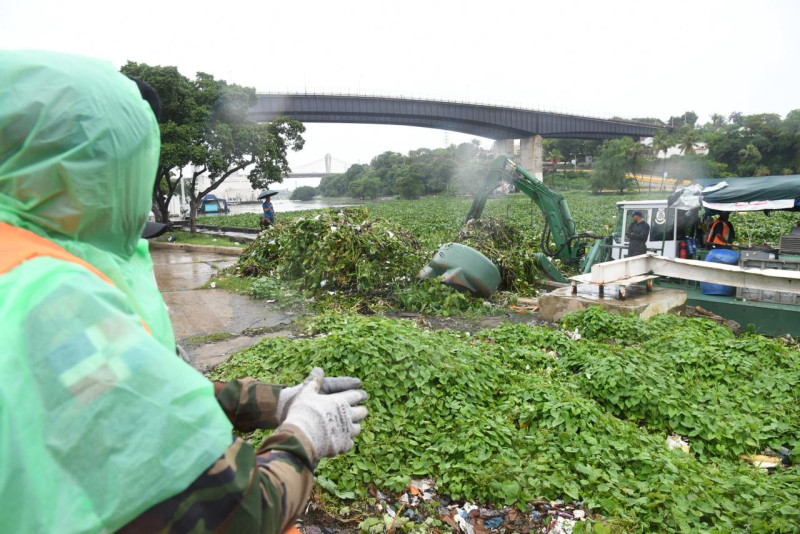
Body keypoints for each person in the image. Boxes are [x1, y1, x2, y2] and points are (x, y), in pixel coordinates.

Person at [0, 50, 367, 534]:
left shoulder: (19, 260)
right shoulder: (50, 296)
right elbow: (235, 514)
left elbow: (120, 392)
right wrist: (305, 431)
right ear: (108, 175)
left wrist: (272, 401)